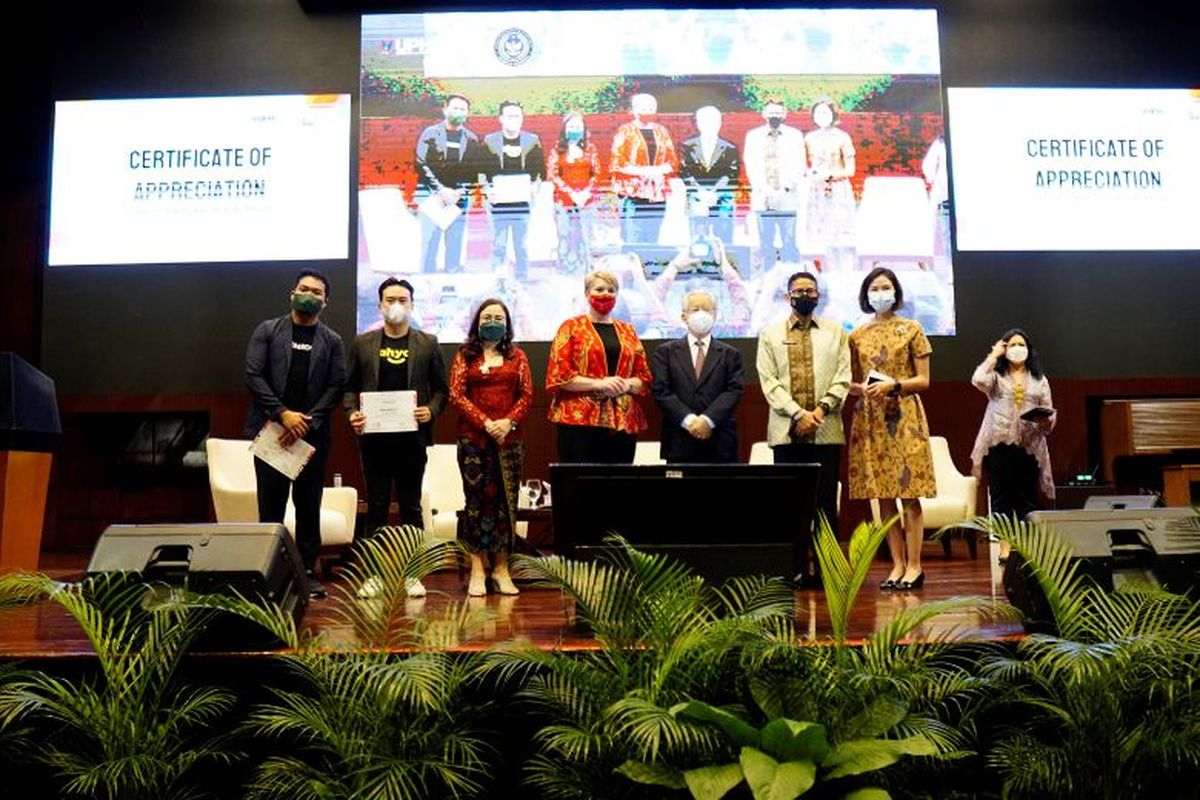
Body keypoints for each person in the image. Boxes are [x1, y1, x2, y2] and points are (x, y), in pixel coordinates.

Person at [245, 269, 346, 598]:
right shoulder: (268, 331)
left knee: (308, 506)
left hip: (312, 436)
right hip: (272, 432)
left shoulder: (332, 341)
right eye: (304, 289)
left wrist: (307, 421)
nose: (310, 295)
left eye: (317, 292)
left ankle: (306, 573)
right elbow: (253, 374)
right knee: (270, 508)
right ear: (292, 293)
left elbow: (336, 385)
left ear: (325, 301)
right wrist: (283, 414)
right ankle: (269, 572)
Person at [345, 277, 449, 598]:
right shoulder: (362, 343)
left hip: (412, 441)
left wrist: (430, 411)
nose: (396, 305)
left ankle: (412, 574)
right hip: (374, 441)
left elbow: (442, 390)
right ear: (379, 305)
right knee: (375, 508)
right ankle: (373, 575)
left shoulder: (428, 342)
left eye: (403, 300)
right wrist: (352, 413)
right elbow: (349, 388)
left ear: (412, 305)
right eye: (390, 299)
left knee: (411, 508)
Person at [756, 270, 851, 587]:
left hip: (826, 431)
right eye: (799, 291)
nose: (805, 295)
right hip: (786, 434)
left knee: (825, 504)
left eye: (810, 290)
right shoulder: (769, 334)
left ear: (818, 294)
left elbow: (843, 377)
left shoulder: (836, 332)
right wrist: (798, 414)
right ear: (788, 296)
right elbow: (769, 383)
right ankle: (794, 569)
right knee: (791, 505)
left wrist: (820, 409)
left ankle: (827, 572)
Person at [847, 267, 936, 591]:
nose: (880, 293)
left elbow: (924, 381)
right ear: (865, 294)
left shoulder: (912, 329)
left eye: (886, 287)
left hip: (904, 416)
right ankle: (897, 565)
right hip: (870, 418)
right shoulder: (856, 335)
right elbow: (853, 381)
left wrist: (894, 385)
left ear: (896, 292)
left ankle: (915, 565)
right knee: (883, 498)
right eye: (874, 288)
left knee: (909, 496)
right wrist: (860, 390)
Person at [448, 299, 533, 596]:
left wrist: (507, 422)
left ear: (507, 324)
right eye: (487, 316)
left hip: (509, 440)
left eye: (499, 317)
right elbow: (456, 395)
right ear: (477, 322)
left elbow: (526, 396)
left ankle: (500, 569)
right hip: (473, 440)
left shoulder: (517, 356)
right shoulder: (465, 355)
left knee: (504, 505)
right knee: (475, 503)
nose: (493, 321)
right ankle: (477, 568)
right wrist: (486, 423)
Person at [546, 270, 654, 463]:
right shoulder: (570, 327)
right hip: (579, 421)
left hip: (623, 422)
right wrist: (600, 384)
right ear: (587, 294)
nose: (606, 294)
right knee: (580, 486)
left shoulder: (627, 330)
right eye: (599, 289)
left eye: (611, 290)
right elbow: (559, 376)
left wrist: (626, 385)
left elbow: (643, 377)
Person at [970, 328, 1056, 537]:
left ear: (1029, 350)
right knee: (1001, 498)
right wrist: (993, 355)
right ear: (1005, 349)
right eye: (1013, 345)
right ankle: (1005, 547)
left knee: (1027, 499)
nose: (1018, 349)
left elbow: (1048, 411)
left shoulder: (1039, 379)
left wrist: (1046, 420)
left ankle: (1027, 547)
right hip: (998, 445)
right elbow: (978, 380)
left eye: (1022, 345)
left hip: (1029, 447)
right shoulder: (996, 376)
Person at [651, 289, 745, 463]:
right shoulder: (666, 352)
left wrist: (707, 421)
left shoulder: (731, 354)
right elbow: (661, 391)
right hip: (679, 442)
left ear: (715, 314)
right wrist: (690, 421)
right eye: (695, 309)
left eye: (707, 309)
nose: (701, 314)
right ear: (683, 316)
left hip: (720, 442)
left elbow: (733, 391)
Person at [415, 94, 480, 273]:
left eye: (462, 109)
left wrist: (461, 190)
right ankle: (426, 287)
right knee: (430, 245)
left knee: (455, 246)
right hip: (432, 196)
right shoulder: (430, 134)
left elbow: (474, 170)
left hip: (458, 199)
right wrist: (441, 189)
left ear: (467, 113)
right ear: (445, 109)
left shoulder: (472, 139)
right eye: (455, 108)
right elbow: (421, 163)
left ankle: (452, 287)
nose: (458, 112)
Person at [482, 100, 545, 282]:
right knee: (498, 246)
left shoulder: (532, 140)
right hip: (497, 203)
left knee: (522, 246)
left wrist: (535, 187)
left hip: (522, 203)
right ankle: (497, 283)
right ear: (501, 118)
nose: (513, 119)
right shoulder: (489, 140)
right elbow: (480, 171)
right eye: (509, 115)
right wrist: (487, 190)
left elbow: (540, 172)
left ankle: (522, 282)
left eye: (517, 115)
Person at [610, 93, 679, 247]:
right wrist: (647, 172)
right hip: (633, 193)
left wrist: (657, 171)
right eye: (643, 107)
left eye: (651, 107)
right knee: (633, 238)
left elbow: (673, 162)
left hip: (657, 194)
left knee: (653, 236)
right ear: (634, 109)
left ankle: (649, 268)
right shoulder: (625, 131)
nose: (647, 110)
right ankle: (634, 268)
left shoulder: (662, 131)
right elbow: (618, 162)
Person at [743, 99, 805, 270]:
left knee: (789, 241)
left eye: (778, 113)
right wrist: (766, 191)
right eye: (771, 112)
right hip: (763, 199)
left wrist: (784, 189)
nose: (774, 116)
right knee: (766, 243)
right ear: (763, 114)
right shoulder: (753, 137)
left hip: (788, 198)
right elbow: (751, 166)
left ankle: (791, 277)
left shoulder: (795, 136)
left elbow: (799, 166)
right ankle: (768, 281)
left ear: (784, 115)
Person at [546, 111, 604, 273]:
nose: (575, 129)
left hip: (587, 201)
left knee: (586, 236)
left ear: (584, 129)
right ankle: (565, 271)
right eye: (571, 126)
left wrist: (585, 193)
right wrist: (571, 194)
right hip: (563, 202)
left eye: (578, 126)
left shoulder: (591, 149)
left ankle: (588, 272)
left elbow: (597, 174)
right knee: (565, 236)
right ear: (564, 129)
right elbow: (552, 175)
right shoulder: (557, 150)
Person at [804, 97, 857, 273]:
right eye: (818, 112)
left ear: (833, 114)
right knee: (817, 233)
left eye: (825, 112)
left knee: (840, 234)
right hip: (815, 191)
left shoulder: (843, 137)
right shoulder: (809, 138)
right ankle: (821, 276)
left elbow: (850, 170)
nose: (821, 116)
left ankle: (843, 274)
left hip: (838, 190)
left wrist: (830, 176)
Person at [679, 105, 740, 247]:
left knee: (724, 238)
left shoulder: (730, 147)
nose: (710, 125)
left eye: (714, 121)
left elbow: (731, 174)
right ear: (697, 123)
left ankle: (723, 261)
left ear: (720, 123)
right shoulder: (686, 145)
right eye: (705, 121)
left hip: (721, 195)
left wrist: (714, 194)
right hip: (696, 195)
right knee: (697, 242)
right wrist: (701, 193)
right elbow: (685, 172)